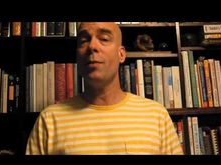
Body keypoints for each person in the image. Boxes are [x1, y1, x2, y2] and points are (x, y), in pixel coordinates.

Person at [26, 22, 183, 155]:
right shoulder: (49, 120)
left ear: (121, 54)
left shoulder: (156, 116)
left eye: (104, 39)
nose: (92, 46)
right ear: (77, 57)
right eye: (83, 41)